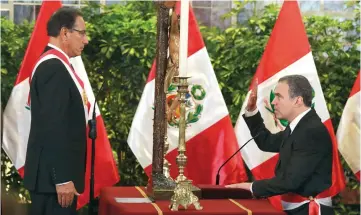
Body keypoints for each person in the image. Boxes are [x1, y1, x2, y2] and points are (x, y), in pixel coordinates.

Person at [227, 75, 334, 215]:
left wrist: (251, 187)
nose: (273, 102)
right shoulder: (300, 126)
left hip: (308, 210)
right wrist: (252, 111)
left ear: (298, 100)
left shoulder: (310, 131)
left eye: (279, 96)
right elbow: (267, 142)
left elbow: (290, 181)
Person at [23, 7, 89, 215]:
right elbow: (53, 126)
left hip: (53, 182)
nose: (85, 40)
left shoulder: (58, 65)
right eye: (82, 33)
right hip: (53, 184)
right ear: (64, 33)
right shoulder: (53, 68)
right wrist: (61, 178)